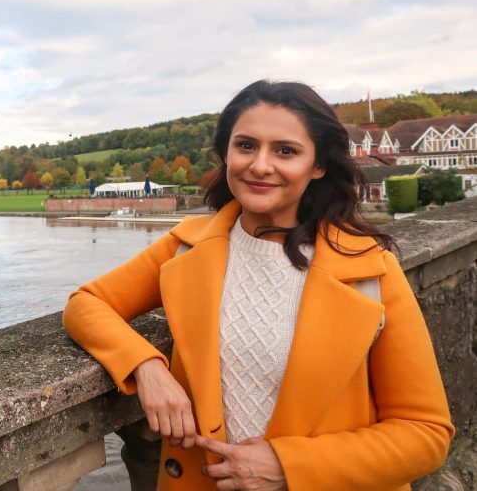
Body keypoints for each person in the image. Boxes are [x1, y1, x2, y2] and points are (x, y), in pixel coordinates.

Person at [62, 80, 453, 490]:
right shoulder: (186, 247)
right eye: (246, 146)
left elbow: (424, 432)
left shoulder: (371, 268)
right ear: (226, 154)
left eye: (285, 151)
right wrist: (147, 368)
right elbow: (86, 303)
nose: (260, 165)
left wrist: (290, 466)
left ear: (318, 165)